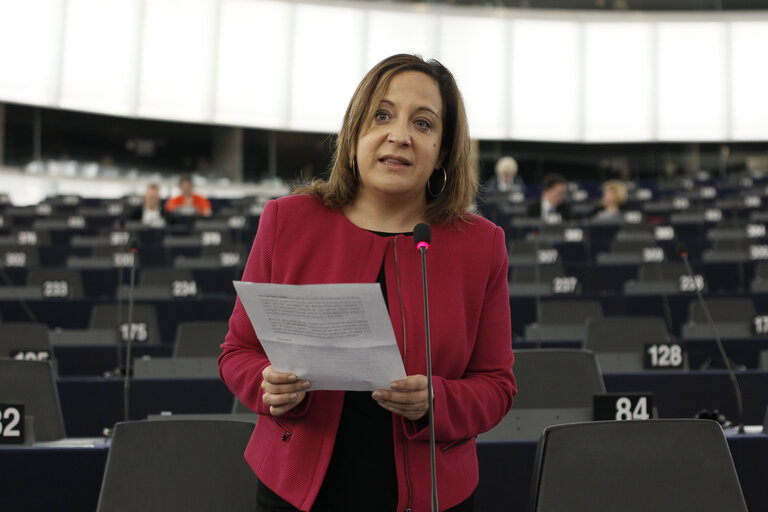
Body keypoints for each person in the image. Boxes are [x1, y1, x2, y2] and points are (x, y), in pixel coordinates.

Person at [218, 54, 516, 512]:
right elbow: (237, 352)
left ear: (442, 151)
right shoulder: (287, 220)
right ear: (355, 131)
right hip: (295, 490)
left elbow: (496, 385)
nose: (399, 135)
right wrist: (266, 384)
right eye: (382, 115)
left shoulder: (481, 245)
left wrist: (438, 399)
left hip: (434, 492)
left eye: (423, 123)